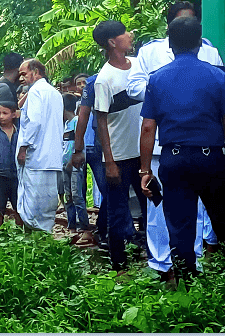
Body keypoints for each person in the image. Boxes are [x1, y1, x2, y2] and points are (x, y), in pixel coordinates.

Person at [139, 16, 225, 277]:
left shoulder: (157, 79)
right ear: (199, 44)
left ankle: (185, 285)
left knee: (180, 226)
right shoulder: (216, 76)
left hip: (174, 160)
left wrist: (144, 170)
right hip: (211, 160)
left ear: (170, 44)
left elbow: (148, 128)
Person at [126, 1, 225, 276]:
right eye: (182, 21)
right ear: (169, 27)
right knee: (161, 211)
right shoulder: (149, 52)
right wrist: (170, 92)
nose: (187, 26)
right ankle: (161, 264)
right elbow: (133, 87)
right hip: (161, 144)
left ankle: (194, 262)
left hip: (203, 141)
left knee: (200, 211)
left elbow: (222, 95)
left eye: (192, 21)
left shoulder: (210, 51)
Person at [92, 21, 146, 270]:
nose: (130, 34)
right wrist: (109, 161)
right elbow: (101, 121)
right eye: (125, 32)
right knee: (117, 211)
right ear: (113, 42)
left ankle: (153, 257)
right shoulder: (104, 79)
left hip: (144, 152)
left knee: (152, 205)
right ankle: (119, 266)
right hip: (120, 156)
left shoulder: (138, 65)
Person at [15, 58, 63, 233]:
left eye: (24, 74)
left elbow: (34, 122)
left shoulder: (35, 93)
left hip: (36, 157)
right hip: (52, 157)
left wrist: (23, 147)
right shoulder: (55, 93)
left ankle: (34, 239)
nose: (21, 78)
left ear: (35, 72)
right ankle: (45, 237)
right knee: (48, 203)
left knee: (32, 203)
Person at [72, 74, 108, 248]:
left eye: (83, 83)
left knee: (107, 190)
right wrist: (78, 149)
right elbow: (82, 120)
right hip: (93, 148)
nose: (81, 86)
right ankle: (89, 227)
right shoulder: (79, 102)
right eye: (78, 84)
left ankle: (98, 229)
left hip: (97, 147)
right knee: (82, 189)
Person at [0, 103, 21, 229]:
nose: (1, 116)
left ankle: (20, 235)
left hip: (16, 174)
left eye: (5, 113)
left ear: (13, 114)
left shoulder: (20, 132)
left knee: (19, 206)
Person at [62, 94, 87, 235]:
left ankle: (83, 225)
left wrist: (72, 161)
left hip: (75, 165)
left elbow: (79, 144)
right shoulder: (65, 124)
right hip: (65, 164)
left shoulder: (77, 121)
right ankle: (71, 225)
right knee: (68, 196)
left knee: (77, 195)